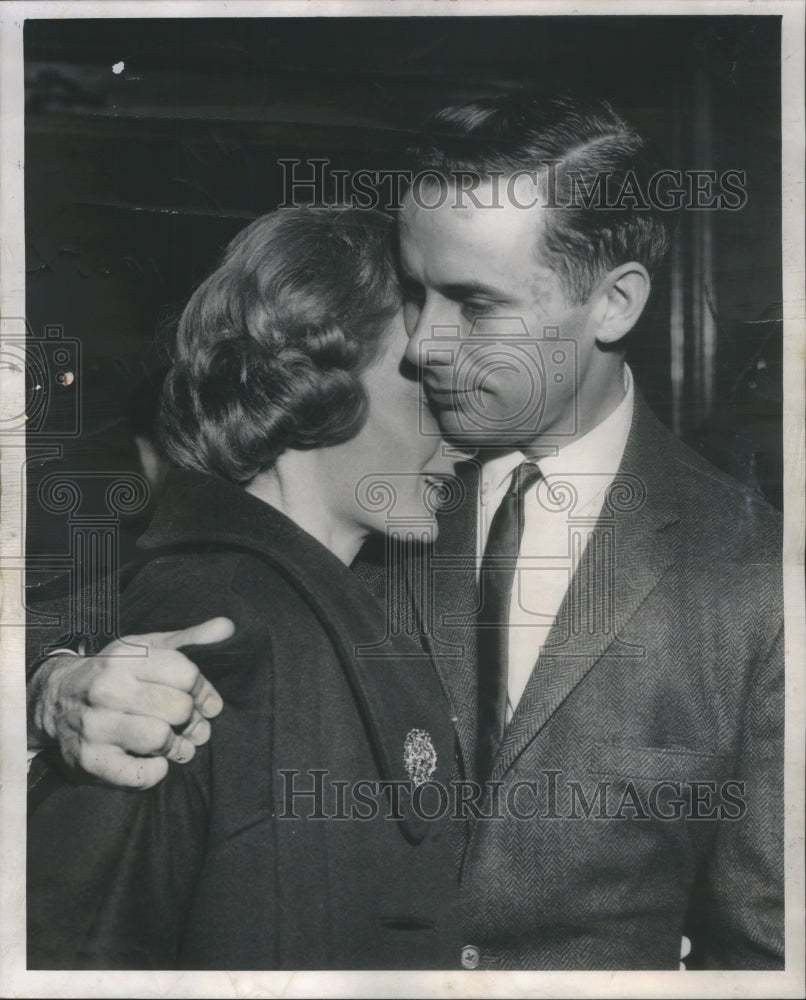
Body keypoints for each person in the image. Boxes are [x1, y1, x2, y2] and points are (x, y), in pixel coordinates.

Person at [28, 94, 784, 970]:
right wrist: (55, 683)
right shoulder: (370, 479)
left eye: (472, 303)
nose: (422, 345)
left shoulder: (753, 576)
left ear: (614, 304)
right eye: (417, 292)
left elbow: (765, 954)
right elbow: (108, 601)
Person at [27, 207, 461, 970]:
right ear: (310, 387)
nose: (459, 435)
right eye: (424, 386)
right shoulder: (208, 628)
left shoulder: (330, 611)